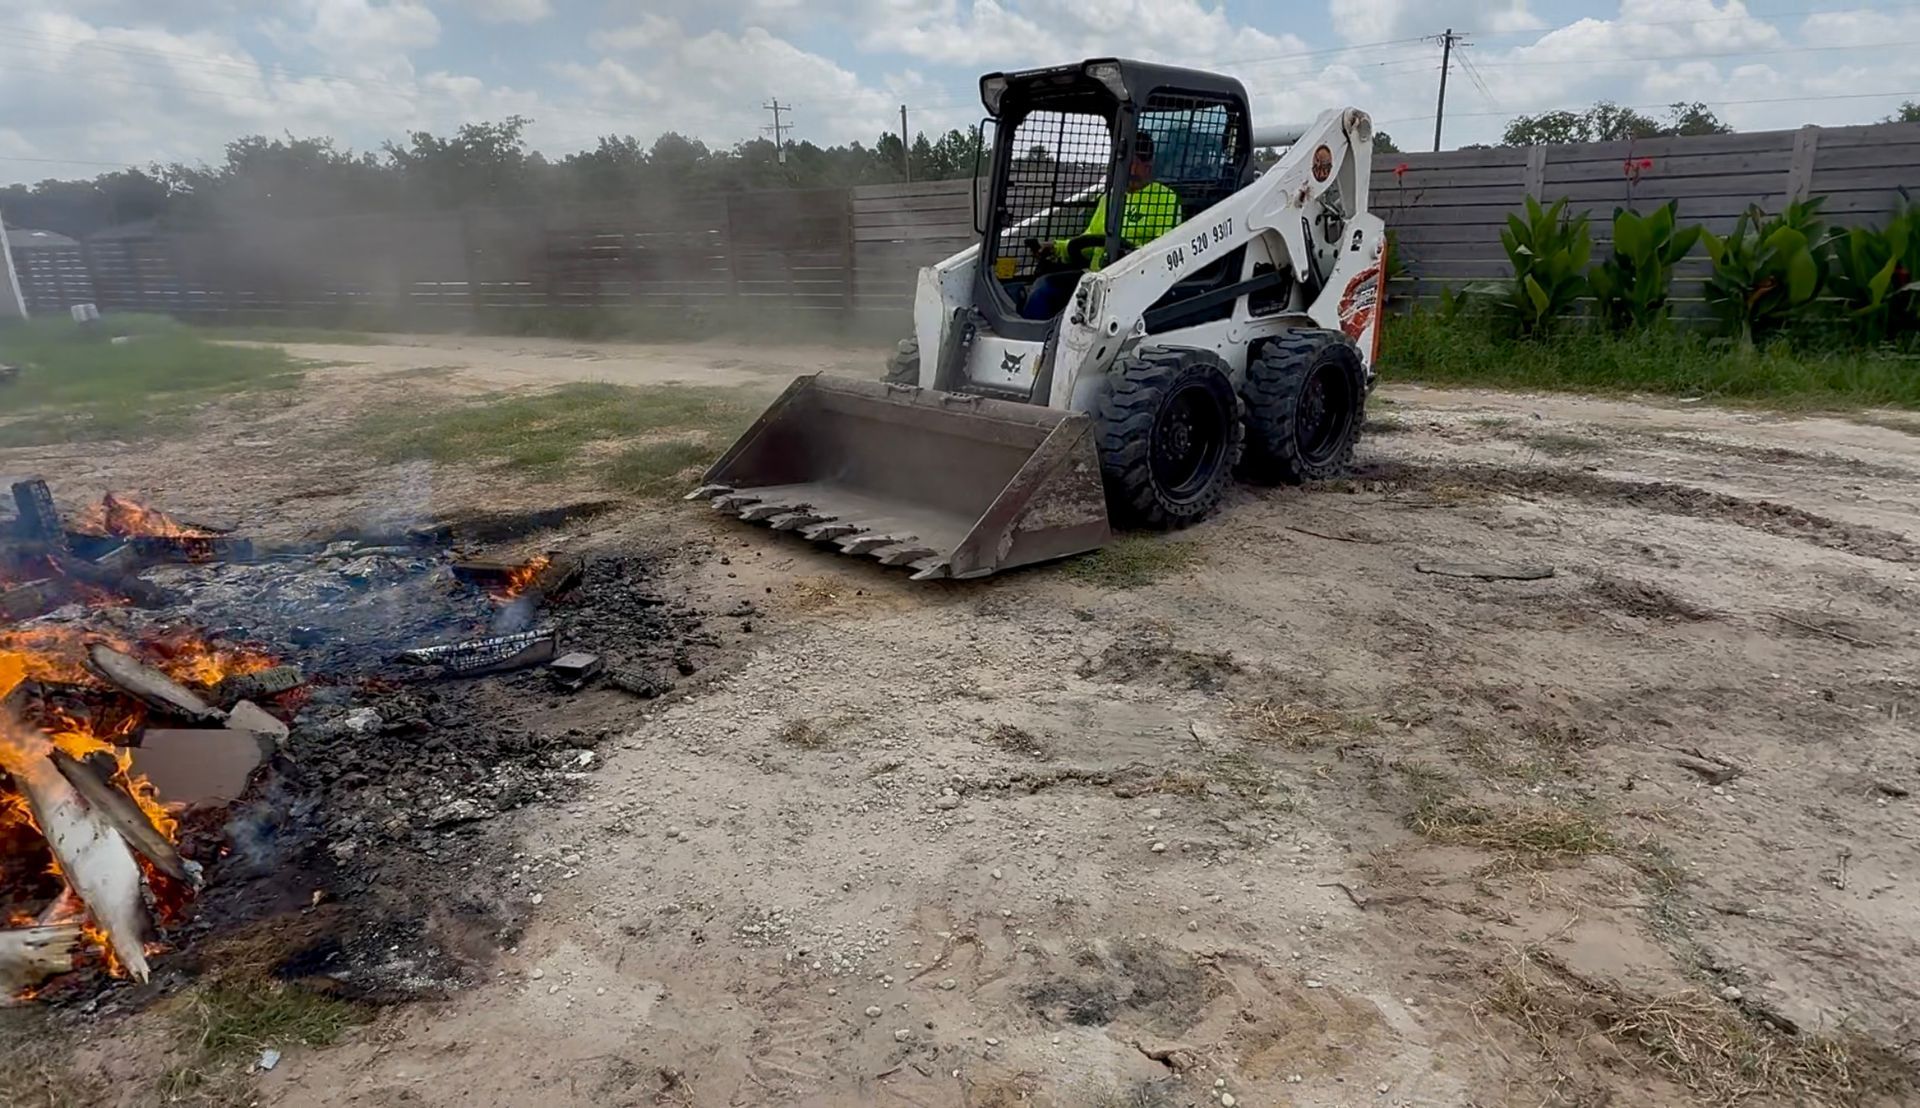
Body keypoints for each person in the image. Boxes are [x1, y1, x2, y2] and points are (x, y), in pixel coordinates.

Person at [1022, 131, 1182, 319]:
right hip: (1095, 278)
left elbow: (1165, 252)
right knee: (1043, 288)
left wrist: (1129, 256)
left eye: (1136, 165)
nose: (1130, 171)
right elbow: (1088, 240)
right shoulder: (1110, 198)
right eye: (1126, 164)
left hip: (1132, 285)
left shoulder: (1165, 200)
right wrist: (1056, 248)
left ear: (1149, 165)